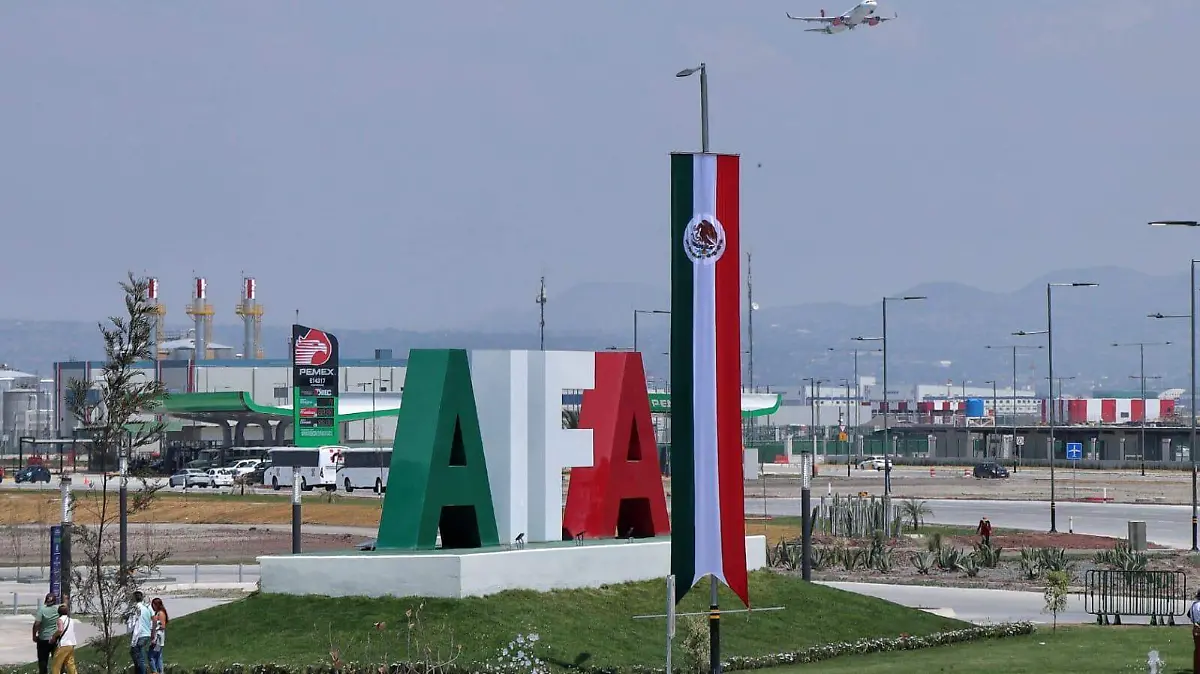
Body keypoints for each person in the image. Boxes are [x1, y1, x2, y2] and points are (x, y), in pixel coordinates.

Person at [128, 591, 154, 674]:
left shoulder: (136, 609)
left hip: (140, 635)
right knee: (137, 654)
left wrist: (133, 638)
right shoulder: (146, 608)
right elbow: (151, 620)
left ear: (134, 598)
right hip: (146, 634)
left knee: (139, 658)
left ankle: (141, 672)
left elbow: (134, 624)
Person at [33, 593, 59, 674]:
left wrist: (34, 635)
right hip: (55, 638)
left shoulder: (42, 609)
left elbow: (37, 624)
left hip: (43, 638)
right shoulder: (57, 609)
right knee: (57, 661)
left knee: (43, 661)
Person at [50, 604, 77, 674]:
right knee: (70, 664)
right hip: (71, 644)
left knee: (56, 665)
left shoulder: (60, 620)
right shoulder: (71, 620)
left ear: (59, 612)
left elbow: (60, 630)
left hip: (63, 644)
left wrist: (53, 636)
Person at [149, 598, 169, 674]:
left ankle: (155, 671)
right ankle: (160, 671)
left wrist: (154, 632)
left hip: (158, 638)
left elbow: (162, 626)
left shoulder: (160, 613)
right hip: (159, 637)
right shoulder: (159, 613)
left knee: (151, 656)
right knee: (158, 656)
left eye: (153, 605)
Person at [1190, 589, 1200, 673]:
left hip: (1195, 628)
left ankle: (1197, 670)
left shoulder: (1194, 605)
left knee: (1197, 650)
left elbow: (1190, 615)